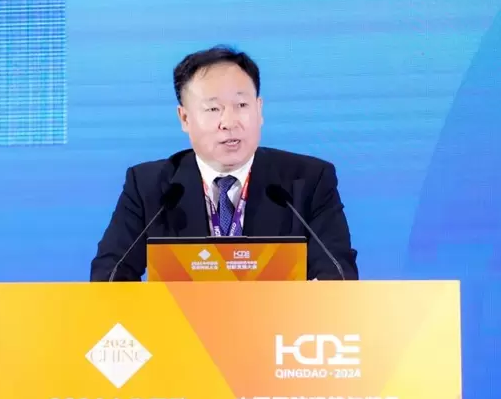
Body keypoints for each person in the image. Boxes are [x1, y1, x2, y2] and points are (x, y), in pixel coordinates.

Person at [90, 45, 358, 281]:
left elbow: (338, 276)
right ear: (185, 118)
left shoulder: (309, 181)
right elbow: (109, 277)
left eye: (242, 105)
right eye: (213, 109)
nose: (229, 122)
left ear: (259, 109)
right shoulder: (148, 186)